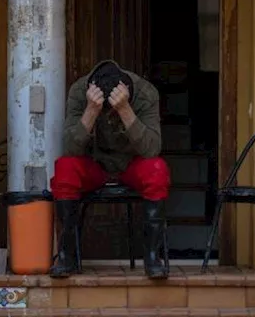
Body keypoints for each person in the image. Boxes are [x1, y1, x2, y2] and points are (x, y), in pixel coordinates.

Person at [51, 60, 170, 279]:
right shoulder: (79, 91)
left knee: (157, 169)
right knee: (65, 168)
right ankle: (66, 255)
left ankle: (153, 256)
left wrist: (124, 110)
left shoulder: (145, 93)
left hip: (130, 164)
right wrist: (91, 111)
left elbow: (152, 149)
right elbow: (69, 148)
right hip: (95, 164)